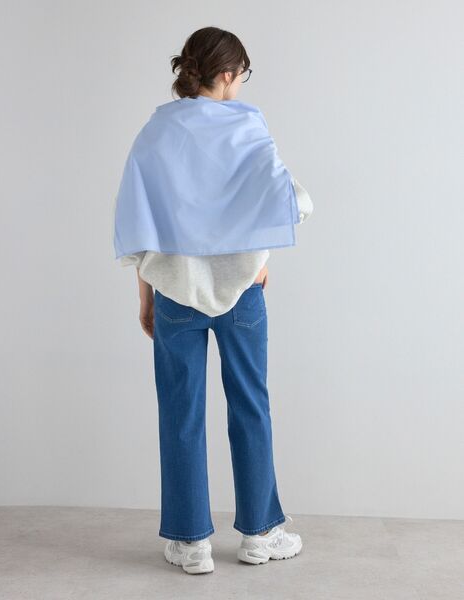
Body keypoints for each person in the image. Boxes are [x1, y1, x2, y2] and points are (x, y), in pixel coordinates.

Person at [113, 26, 313, 575]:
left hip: (174, 292)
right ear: (226, 73)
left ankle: (191, 543)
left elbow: (138, 220)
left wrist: (145, 296)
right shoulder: (246, 125)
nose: (241, 84)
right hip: (242, 292)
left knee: (180, 412)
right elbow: (289, 198)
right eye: (242, 74)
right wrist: (259, 258)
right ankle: (260, 534)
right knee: (251, 404)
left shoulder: (155, 132)